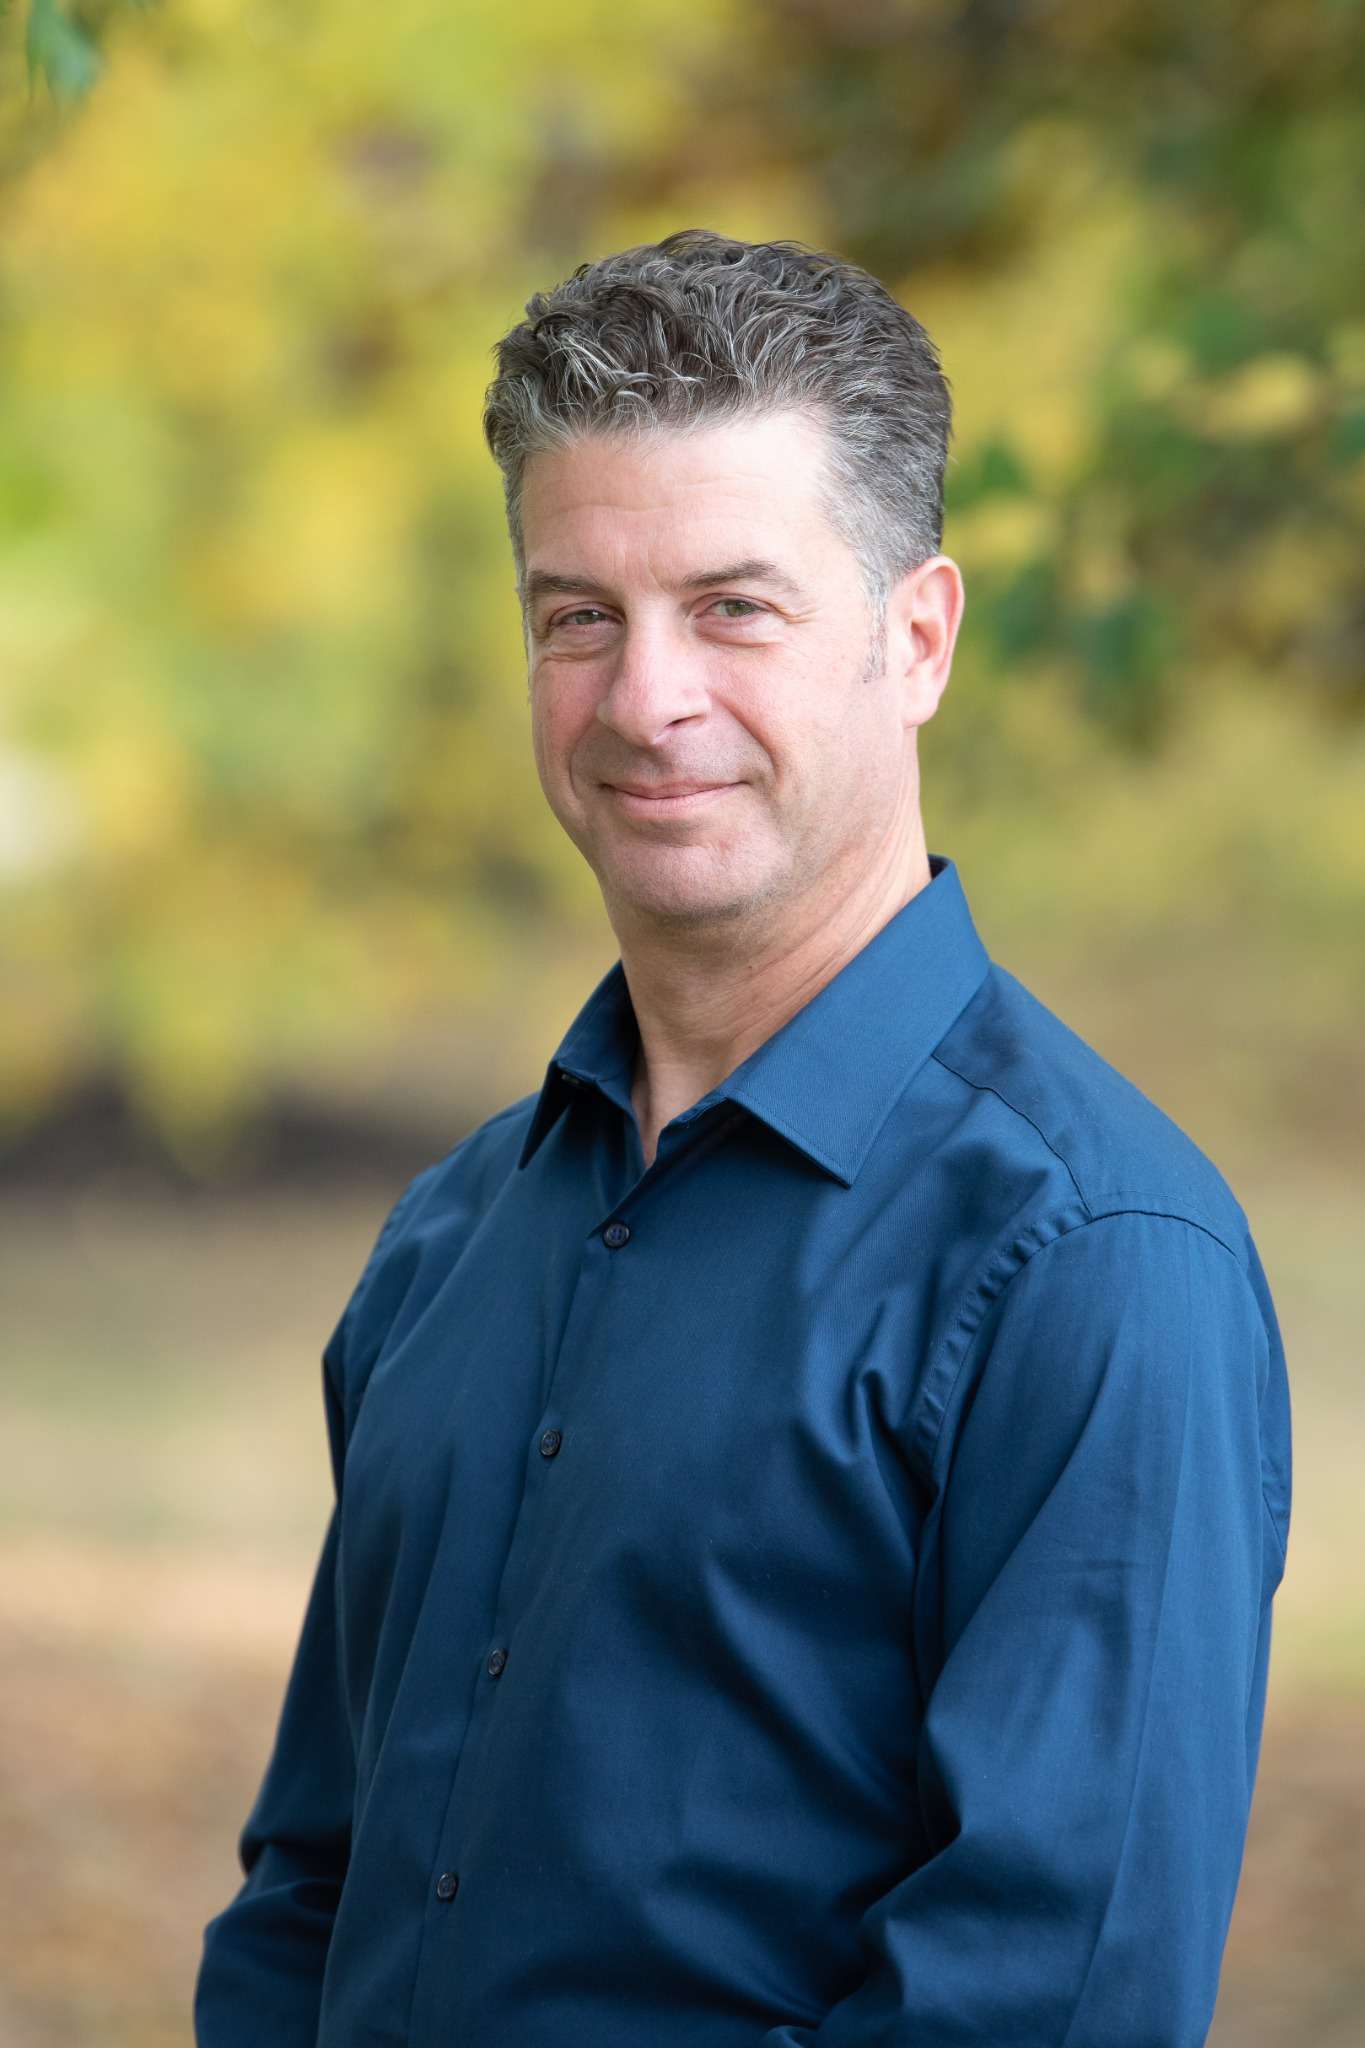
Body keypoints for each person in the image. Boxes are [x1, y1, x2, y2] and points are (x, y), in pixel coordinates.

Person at [194, 228, 1292, 2048]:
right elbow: (317, 1881)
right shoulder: (452, 1234)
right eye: (577, 616)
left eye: (735, 607)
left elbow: (1046, 2003)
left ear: (915, 635)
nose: (644, 700)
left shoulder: (1093, 1263)